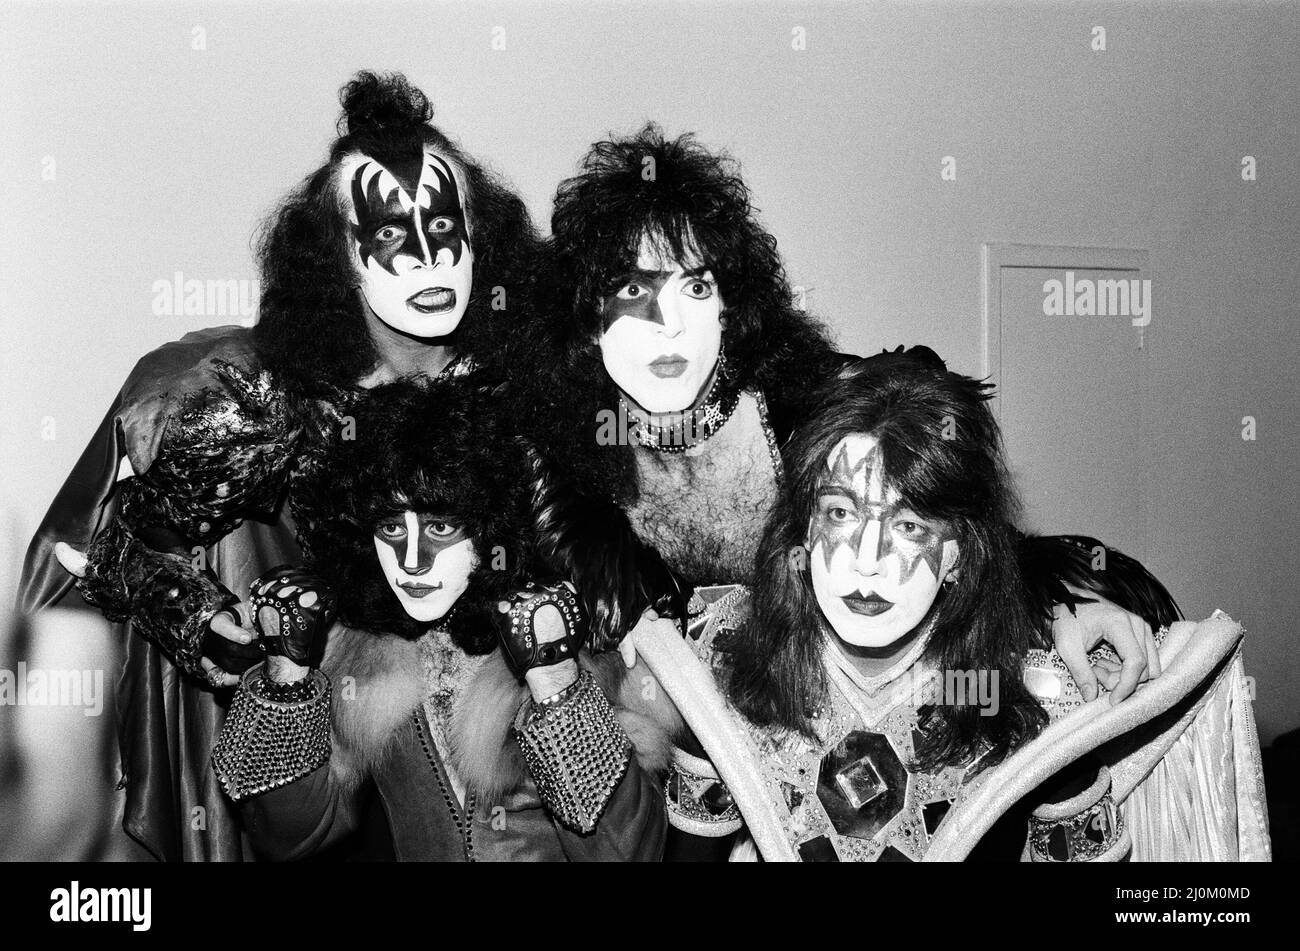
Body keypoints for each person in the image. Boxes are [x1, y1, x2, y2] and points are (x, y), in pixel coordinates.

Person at [16, 71, 538, 860]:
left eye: (444, 223)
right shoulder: (271, 403)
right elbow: (107, 543)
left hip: (517, 727)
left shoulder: (522, 378)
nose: (429, 257)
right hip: (340, 737)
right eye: (392, 236)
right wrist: (210, 625)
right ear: (340, 259)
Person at [519, 124, 1163, 701]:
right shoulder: (568, 462)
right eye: (634, 290)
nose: (669, 326)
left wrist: (1061, 604)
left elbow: (951, 532)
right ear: (585, 317)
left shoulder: (812, 408)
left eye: (696, 287)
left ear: (732, 307)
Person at [627, 354, 1269, 861]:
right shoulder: (732, 659)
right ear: (801, 530)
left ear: (959, 556)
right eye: (842, 514)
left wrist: (1062, 739)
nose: (867, 558)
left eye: (909, 526)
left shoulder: (1016, 693)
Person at [210, 376, 667, 860]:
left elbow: (633, 854)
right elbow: (288, 841)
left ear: (494, 524)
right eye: (390, 527)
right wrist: (287, 674)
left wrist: (555, 678)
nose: (411, 561)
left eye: (441, 526)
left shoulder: (587, 634)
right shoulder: (358, 653)